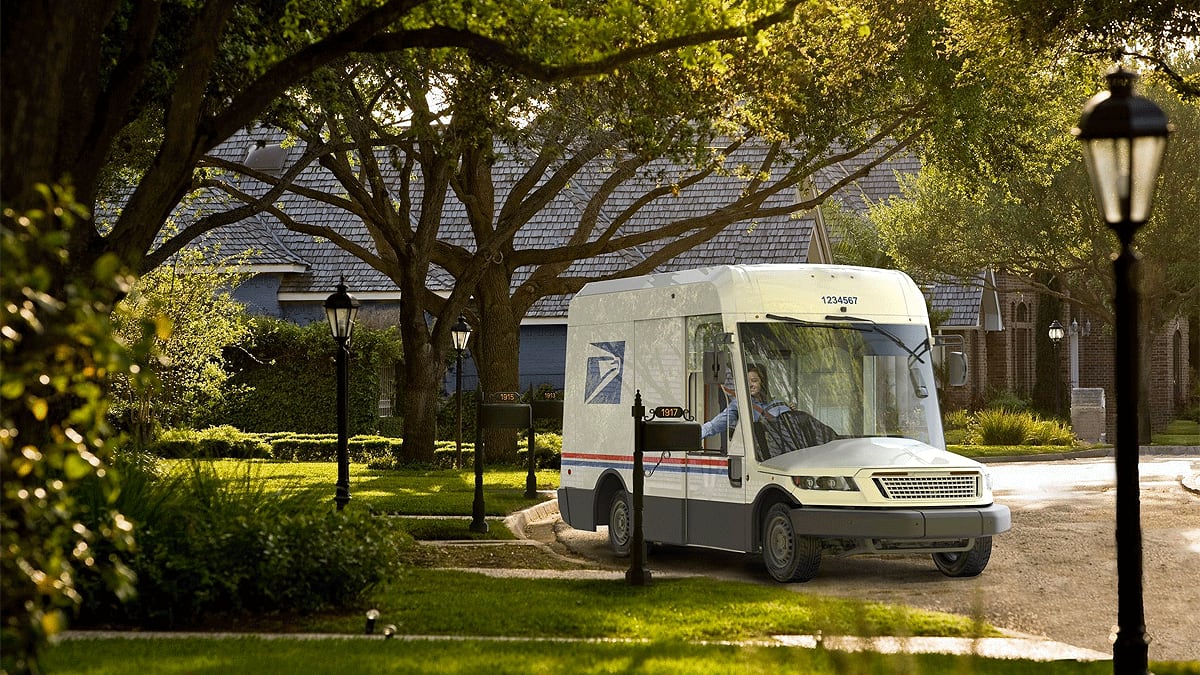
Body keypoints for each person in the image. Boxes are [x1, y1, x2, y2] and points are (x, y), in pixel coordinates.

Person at [701, 365, 791, 439]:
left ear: (762, 382)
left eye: (754, 381)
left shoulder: (778, 406)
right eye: (746, 382)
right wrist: (694, 434)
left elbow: (791, 430)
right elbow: (716, 424)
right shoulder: (739, 404)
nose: (750, 385)